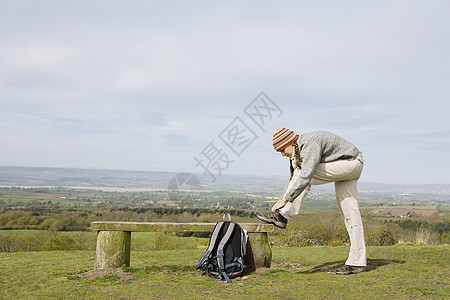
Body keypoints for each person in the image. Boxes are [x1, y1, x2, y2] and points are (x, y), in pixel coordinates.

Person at [257, 128, 367, 275]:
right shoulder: (299, 150)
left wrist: (285, 200)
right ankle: (357, 262)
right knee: (350, 212)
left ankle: (283, 217)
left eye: (282, 150)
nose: (283, 154)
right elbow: (293, 179)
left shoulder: (310, 144)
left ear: (290, 143)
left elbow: (305, 176)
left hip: (351, 163)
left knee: (305, 172)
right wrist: (282, 199)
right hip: (346, 166)